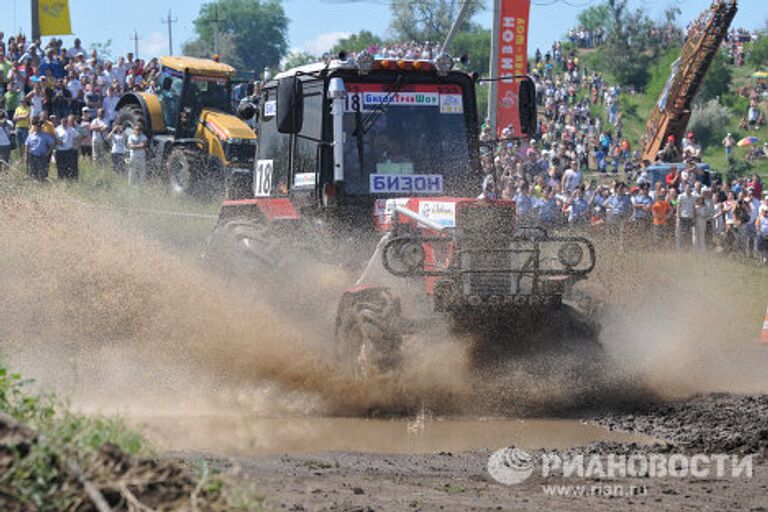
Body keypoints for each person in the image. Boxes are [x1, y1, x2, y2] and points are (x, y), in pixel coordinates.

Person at [54, 115, 79, 179]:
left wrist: (75, 145)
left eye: (65, 122)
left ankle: (71, 180)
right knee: (60, 167)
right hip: (60, 151)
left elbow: (77, 137)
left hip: (69, 150)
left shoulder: (71, 129)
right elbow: (54, 138)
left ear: (67, 122)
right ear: (61, 122)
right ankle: (61, 179)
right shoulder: (57, 130)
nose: (64, 123)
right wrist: (57, 141)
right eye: (63, 122)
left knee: (70, 167)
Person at [676, 183, 696, 249]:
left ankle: (688, 248)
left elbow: (694, 207)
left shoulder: (693, 197)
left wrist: (694, 217)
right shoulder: (680, 196)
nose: (688, 189)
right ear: (685, 188)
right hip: (683, 217)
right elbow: (678, 207)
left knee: (689, 234)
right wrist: (678, 217)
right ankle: (681, 248)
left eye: (689, 187)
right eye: (687, 187)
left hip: (690, 217)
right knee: (682, 233)